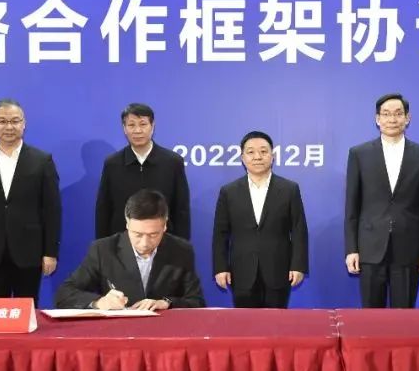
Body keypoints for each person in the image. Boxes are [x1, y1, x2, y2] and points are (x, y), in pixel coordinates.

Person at [0, 98, 61, 303]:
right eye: (2, 121)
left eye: (15, 121)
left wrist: (50, 253)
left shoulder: (42, 160)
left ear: (24, 124)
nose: (9, 127)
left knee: (27, 310)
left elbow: (52, 211)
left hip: (29, 252)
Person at [345, 93, 419, 308]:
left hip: (408, 249)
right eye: (386, 114)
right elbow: (352, 206)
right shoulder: (359, 154)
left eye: (398, 114)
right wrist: (351, 249)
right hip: (370, 248)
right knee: (371, 317)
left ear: (407, 118)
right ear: (377, 119)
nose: (392, 119)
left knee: (403, 318)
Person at [56, 189, 204, 310]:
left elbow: (196, 301)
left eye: (153, 235)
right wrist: (99, 302)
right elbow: (64, 294)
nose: (144, 243)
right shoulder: (103, 249)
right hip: (117, 332)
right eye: (137, 234)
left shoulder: (181, 250)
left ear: (165, 225)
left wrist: (167, 302)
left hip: (163, 331)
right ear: (127, 224)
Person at [212, 131, 309, 308]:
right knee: (244, 323)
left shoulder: (289, 189)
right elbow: (220, 234)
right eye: (251, 152)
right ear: (242, 158)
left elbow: (298, 229)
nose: (257, 157)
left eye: (264, 151)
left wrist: (298, 266)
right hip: (241, 272)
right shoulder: (229, 191)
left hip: (278, 270)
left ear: (272, 156)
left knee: (276, 322)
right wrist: (220, 268)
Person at [95, 103, 191, 240]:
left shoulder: (173, 162)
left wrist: (181, 246)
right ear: (124, 128)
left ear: (152, 126)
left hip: (164, 242)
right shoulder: (112, 164)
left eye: (143, 124)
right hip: (122, 244)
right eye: (131, 125)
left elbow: (181, 211)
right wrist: (103, 247)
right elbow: (104, 210)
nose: (137, 130)